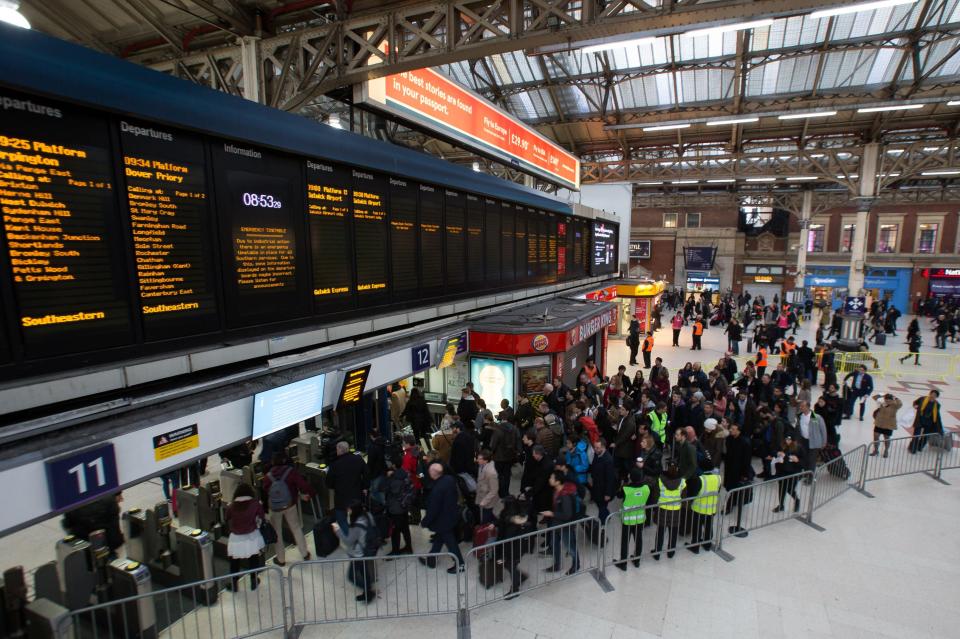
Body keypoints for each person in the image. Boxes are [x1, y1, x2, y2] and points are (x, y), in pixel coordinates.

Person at [263, 453, 314, 566]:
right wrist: (310, 494)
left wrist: (266, 509)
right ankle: (304, 553)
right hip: (290, 505)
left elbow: (265, 492)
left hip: (275, 509)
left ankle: (281, 560)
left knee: (277, 533)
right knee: (296, 528)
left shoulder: (268, 476)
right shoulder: (290, 472)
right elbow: (303, 485)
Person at [419, 463, 465, 573]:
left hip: (443, 520)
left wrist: (424, 522)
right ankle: (431, 560)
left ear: (433, 473)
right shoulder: (449, 479)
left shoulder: (437, 490)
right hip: (452, 515)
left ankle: (460, 564)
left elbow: (433, 510)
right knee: (439, 540)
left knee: (451, 543)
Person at [331, 499, 378, 603]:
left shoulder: (357, 525)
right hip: (368, 549)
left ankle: (368, 591)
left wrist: (337, 530)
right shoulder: (368, 515)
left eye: (350, 509)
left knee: (351, 576)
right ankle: (367, 593)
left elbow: (348, 541)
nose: (348, 511)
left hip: (358, 554)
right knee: (364, 572)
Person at [224, 483, 265, 590]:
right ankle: (253, 581)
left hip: (236, 537)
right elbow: (261, 516)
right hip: (252, 535)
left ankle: (234, 584)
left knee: (234, 561)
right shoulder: (256, 504)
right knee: (254, 558)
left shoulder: (231, 506)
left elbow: (226, 518)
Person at [540, 470, 581, 575]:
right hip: (556, 524)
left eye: (552, 478)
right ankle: (557, 564)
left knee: (570, 547)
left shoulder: (565, 495)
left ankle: (576, 564)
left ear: (558, 481)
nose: (550, 479)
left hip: (565, 527)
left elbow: (567, 515)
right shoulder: (557, 491)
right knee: (555, 545)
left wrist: (552, 514)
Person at [61, 493, 125, 558]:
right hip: (109, 546)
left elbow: (67, 524)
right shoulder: (109, 499)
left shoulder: (71, 504)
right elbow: (115, 535)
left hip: (84, 552)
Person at [325, 441, 369, 535]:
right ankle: (360, 535)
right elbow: (366, 473)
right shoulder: (358, 459)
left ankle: (349, 536)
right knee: (357, 517)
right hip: (356, 495)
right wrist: (365, 487)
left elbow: (329, 483)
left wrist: (335, 486)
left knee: (341, 518)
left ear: (340, 450)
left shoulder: (334, 465)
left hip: (341, 497)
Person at [616, 468, 650, 570]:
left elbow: (618, 495)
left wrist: (624, 484)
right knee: (638, 539)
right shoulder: (646, 488)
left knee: (625, 541)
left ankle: (623, 563)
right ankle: (637, 561)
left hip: (628, 520)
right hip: (639, 519)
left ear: (631, 477)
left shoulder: (626, 489)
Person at [723, 423, 753, 537]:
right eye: (731, 429)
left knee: (735, 488)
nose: (731, 431)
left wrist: (745, 474)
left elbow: (747, 460)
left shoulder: (745, 442)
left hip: (739, 470)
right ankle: (731, 504)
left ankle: (730, 505)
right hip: (730, 468)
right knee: (730, 487)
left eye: (733, 429)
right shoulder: (730, 439)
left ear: (739, 431)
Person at [653, 465, 685, 560]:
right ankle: (671, 552)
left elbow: (655, 495)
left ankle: (657, 553)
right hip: (675, 510)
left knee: (660, 532)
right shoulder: (682, 482)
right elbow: (684, 495)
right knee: (673, 533)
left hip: (662, 509)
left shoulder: (660, 481)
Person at [383, 461, 415, 556]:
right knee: (405, 528)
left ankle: (395, 551)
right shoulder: (406, 474)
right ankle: (408, 547)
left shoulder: (394, 478)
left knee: (395, 531)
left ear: (393, 465)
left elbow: (386, 489)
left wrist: (388, 478)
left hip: (395, 508)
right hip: (404, 506)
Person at [689, 465, 720, 553]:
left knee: (697, 529)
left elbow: (693, 494)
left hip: (699, 509)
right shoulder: (718, 478)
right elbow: (718, 490)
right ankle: (707, 545)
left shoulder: (700, 480)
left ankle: (695, 547)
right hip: (711, 508)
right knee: (709, 527)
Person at [590, 438, 618, 529]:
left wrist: (608, 494)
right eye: (595, 447)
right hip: (597, 487)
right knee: (600, 505)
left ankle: (601, 524)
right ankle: (607, 515)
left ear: (603, 447)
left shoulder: (608, 460)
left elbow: (610, 479)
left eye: (597, 448)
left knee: (602, 507)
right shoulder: (597, 454)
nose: (595, 449)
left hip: (603, 490)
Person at [772, 437, 804, 513]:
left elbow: (804, 461)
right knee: (782, 488)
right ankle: (781, 505)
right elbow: (773, 451)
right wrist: (777, 453)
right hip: (782, 471)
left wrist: (797, 460)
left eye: (789, 439)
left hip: (793, 473)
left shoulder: (799, 448)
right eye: (786, 439)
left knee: (790, 489)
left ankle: (797, 501)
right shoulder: (781, 445)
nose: (787, 441)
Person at [795, 400, 827, 477]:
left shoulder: (815, 417)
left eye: (802, 406)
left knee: (811, 460)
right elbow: (797, 428)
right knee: (805, 458)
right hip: (803, 441)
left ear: (808, 407)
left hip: (814, 442)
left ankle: (810, 476)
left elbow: (823, 429)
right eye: (801, 406)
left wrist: (824, 442)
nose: (801, 407)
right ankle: (806, 473)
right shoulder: (800, 416)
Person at [489, 419, 519, 498]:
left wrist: (491, 452)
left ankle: (499, 492)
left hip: (498, 457)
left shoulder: (498, 430)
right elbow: (517, 441)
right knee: (507, 475)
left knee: (498, 475)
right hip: (509, 456)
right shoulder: (514, 429)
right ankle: (505, 493)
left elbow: (493, 445)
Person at [475, 449, 502, 525]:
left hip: (488, 500)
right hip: (483, 495)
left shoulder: (491, 473)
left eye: (480, 459)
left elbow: (494, 490)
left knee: (486, 520)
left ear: (486, 460)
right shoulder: (482, 466)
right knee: (488, 516)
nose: (477, 460)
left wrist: (484, 501)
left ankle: (498, 526)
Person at [870, 393, 901, 458]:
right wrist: (882, 395)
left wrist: (895, 397)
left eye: (889, 400)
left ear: (891, 400)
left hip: (889, 424)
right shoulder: (882, 403)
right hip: (879, 422)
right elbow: (874, 397)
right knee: (876, 436)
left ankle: (886, 450)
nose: (887, 401)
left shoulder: (895, 405)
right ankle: (876, 450)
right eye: (886, 400)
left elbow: (900, 404)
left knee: (886, 438)